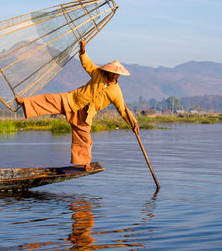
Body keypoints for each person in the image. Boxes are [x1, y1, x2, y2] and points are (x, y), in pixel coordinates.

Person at [16, 40, 139, 171]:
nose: (112, 74)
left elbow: (123, 110)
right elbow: (87, 64)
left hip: (86, 114)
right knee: (50, 99)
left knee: (84, 139)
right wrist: (83, 50)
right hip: (73, 99)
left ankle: (85, 163)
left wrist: (134, 123)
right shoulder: (98, 74)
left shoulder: (116, 92)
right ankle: (25, 102)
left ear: (117, 75)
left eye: (114, 73)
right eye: (110, 71)